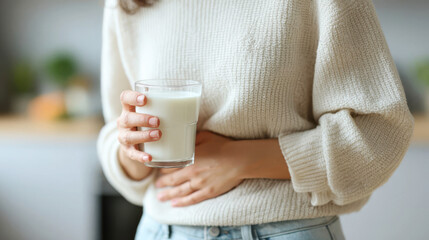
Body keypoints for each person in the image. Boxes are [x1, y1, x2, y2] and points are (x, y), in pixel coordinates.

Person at [97, 0, 414, 239]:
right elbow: (116, 134)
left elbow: (379, 133)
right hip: (162, 229)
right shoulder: (126, 4)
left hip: (285, 230)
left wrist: (240, 159)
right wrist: (133, 148)